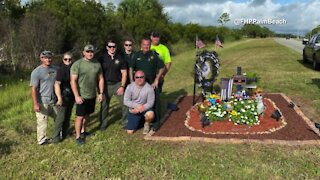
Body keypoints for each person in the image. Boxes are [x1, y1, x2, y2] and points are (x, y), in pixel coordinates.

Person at [130, 37, 165, 134]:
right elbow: (131, 69)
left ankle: (156, 124)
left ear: (150, 45)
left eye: (148, 44)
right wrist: (132, 82)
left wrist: (157, 79)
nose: (146, 46)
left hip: (152, 84)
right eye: (144, 44)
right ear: (141, 45)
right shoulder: (136, 55)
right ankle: (142, 122)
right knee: (140, 103)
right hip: (139, 85)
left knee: (155, 103)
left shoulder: (154, 55)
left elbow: (162, 68)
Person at [70, 44, 104, 145]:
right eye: (88, 52)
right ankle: (78, 136)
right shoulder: (78, 64)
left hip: (92, 95)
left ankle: (83, 131)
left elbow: (101, 79)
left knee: (87, 115)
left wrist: (100, 93)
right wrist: (77, 96)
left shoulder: (97, 64)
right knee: (80, 117)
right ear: (84, 53)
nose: (90, 53)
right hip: (81, 96)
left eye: (91, 52)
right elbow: (73, 81)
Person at [98, 40, 128, 130]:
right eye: (110, 46)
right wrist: (100, 90)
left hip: (117, 84)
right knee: (104, 106)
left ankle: (125, 122)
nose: (112, 48)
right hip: (106, 85)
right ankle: (103, 124)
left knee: (125, 104)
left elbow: (124, 73)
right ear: (107, 47)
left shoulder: (120, 58)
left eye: (113, 46)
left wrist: (122, 86)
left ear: (116, 47)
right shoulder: (102, 58)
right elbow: (98, 74)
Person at [30, 50, 57, 145]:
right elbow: (33, 89)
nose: (48, 59)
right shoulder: (36, 72)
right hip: (42, 101)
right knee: (42, 122)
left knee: (59, 118)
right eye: (45, 58)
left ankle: (59, 134)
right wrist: (35, 104)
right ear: (41, 59)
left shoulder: (55, 69)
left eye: (49, 58)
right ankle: (42, 140)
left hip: (55, 100)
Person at [52, 52, 75, 143]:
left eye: (69, 59)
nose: (68, 61)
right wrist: (59, 98)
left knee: (68, 116)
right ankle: (55, 137)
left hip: (71, 96)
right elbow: (57, 84)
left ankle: (65, 133)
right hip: (62, 96)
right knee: (60, 118)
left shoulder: (74, 69)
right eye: (66, 59)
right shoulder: (61, 70)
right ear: (63, 60)